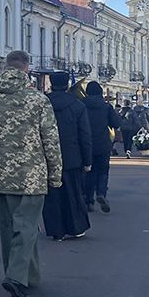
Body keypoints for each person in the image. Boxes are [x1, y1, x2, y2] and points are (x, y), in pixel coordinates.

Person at [0, 51, 61, 297]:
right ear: (27, 69)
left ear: (5, 68)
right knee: (26, 227)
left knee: (9, 227)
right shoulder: (38, 100)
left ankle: (28, 276)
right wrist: (55, 174)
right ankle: (15, 277)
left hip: (2, 175)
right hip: (32, 175)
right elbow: (51, 140)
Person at [41, 72, 92, 241]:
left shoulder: (42, 103)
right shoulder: (77, 105)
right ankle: (75, 227)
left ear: (51, 83)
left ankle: (56, 230)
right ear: (67, 84)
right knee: (73, 194)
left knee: (52, 195)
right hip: (72, 157)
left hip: (46, 156)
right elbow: (84, 135)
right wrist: (87, 160)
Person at [81, 81, 121, 213]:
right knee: (103, 171)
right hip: (103, 144)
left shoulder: (81, 105)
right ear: (100, 93)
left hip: (86, 144)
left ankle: (88, 201)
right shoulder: (106, 107)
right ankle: (101, 194)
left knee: (89, 172)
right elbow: (115, 123)